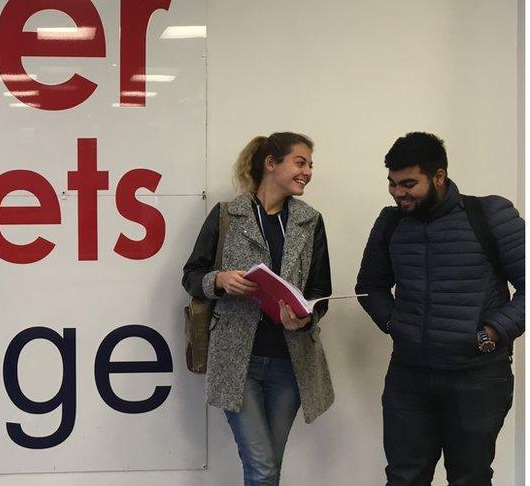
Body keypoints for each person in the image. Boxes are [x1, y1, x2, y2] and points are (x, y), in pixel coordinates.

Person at [356, 132, 525, 486]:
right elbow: (369, 287)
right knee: (404, 477)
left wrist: (491, 332)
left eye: (408, 183)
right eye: (392, 184)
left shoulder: (490, 214)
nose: (398, 193)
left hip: (477, 377)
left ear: (439, 177)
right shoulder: (390, 223)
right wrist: (393, 323)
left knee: (470, 478)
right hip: (409, 377)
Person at [182, 132, 333, 486]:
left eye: (310, 164)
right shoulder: (227, 215)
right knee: (263, 469)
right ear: (271, 164)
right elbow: (191, 276)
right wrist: (219, 280)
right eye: (300, 162)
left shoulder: (310, 221)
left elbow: (320, 291)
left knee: (267, 469)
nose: (308, 171)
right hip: (238, 363)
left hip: (290, 362)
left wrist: (306, 316)